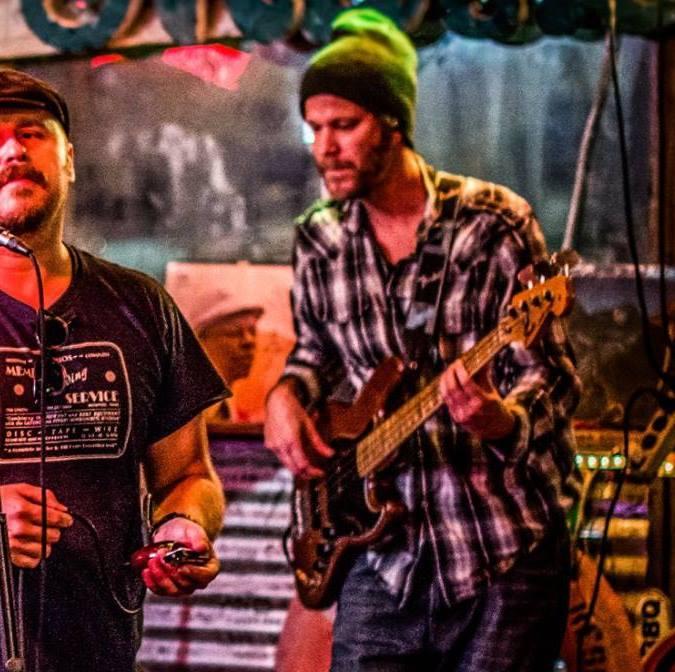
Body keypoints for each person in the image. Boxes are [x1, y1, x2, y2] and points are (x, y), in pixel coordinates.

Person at [264, 9, 581, 672]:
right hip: (380, 556)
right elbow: (315, 354)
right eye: (315, 128)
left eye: (344, 125)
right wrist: (285, 396)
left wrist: (500, 419)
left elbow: (551, 376)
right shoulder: (319, 237)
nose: (325, 147)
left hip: (499, 545)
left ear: (393, 122)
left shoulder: (493, 223)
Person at [0, 69, 228, 671]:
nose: (12, 150)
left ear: (69, 159)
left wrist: (183, 524)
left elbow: (189, 475)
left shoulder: (140, 306)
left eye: (31, 133)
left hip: (100, 652)